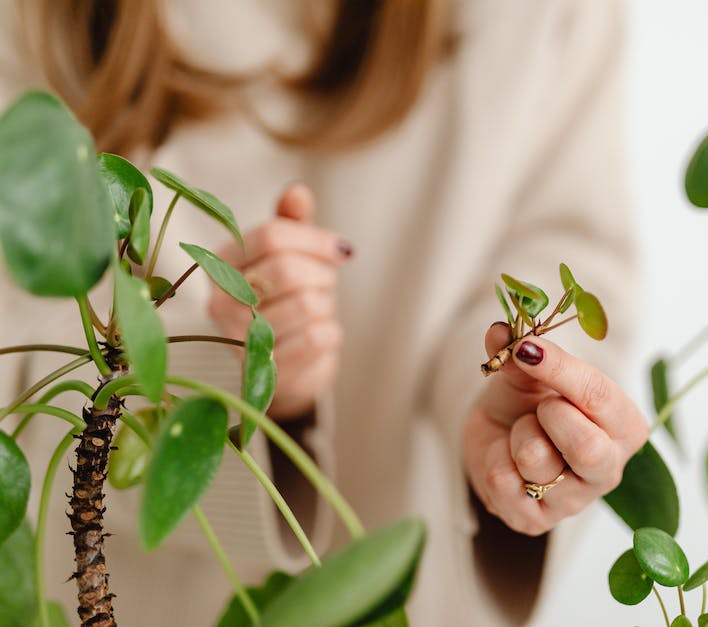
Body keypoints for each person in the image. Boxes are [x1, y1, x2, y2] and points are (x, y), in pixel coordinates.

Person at [0, 1, 647, 625]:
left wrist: (524, 413)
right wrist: (224, 385)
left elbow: (563, 245)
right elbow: (21, 341)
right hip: (124, 589)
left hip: (410, 560)